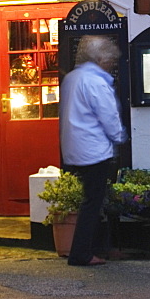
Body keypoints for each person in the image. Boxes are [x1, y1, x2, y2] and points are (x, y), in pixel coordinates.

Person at [59, 35, 127, 267]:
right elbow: (108, 116)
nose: (111, 63)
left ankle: (98, 248)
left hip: (75, 149)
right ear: (99, 58)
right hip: (94, 150)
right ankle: (82, 254)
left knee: (93, 200)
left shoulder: (72, 78)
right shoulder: (95, 82)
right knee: (93, 203)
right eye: (108, 59)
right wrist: (120, 137)